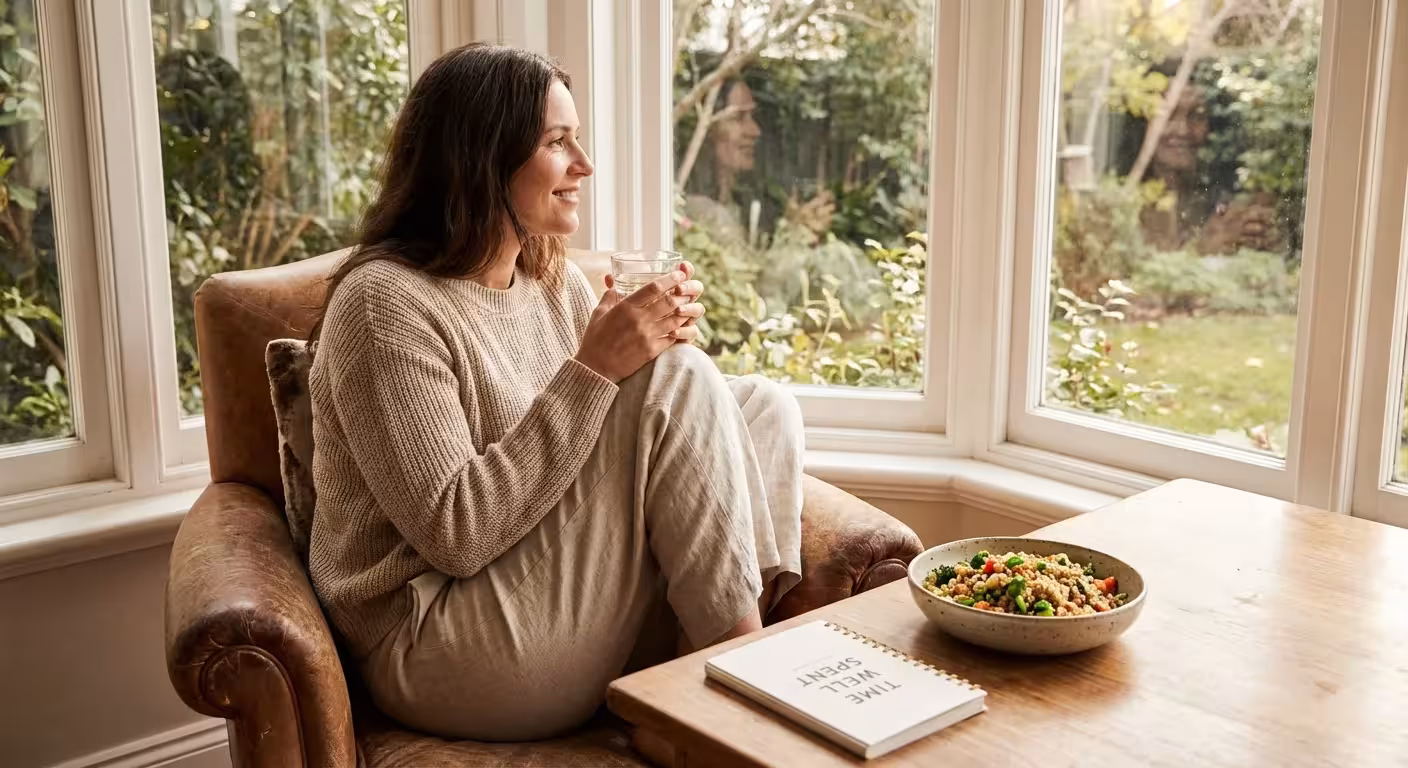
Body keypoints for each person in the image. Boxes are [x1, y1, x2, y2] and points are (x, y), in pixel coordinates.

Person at [305, 43, 804, 742]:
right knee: (680, 383)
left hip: (541, 592)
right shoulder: (383, 305)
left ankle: (701, 670)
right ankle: (736, 707)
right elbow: (456, 534)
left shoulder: (552, 281)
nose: (584, 166)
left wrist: (660, 353)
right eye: (557, 142)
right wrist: (601, 370)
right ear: (484, 158)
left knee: (762, 406)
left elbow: (625, 442)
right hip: (439, 639)